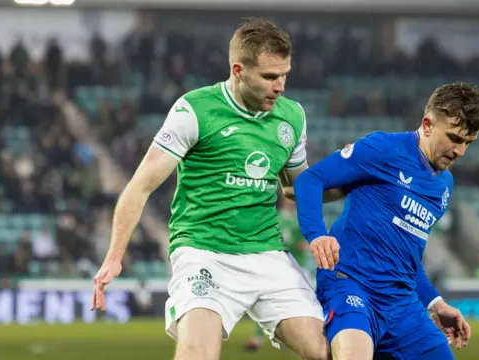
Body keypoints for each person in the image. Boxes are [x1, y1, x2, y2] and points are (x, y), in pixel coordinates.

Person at [90, 18, 341, 360]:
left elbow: (298, 190)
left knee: (327, 351)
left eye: (284, 75)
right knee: (197, 353)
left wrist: (353, 185)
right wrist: (114, 257)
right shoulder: (195, 110)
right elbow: (140, 186)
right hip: (203, 251)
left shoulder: (292, 117)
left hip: (266, 251)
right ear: (238, 70)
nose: (280, 86)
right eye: (269, 76)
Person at [293, 82, 479, 360]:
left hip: (401, 303)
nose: (460, 151)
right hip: (351, 284)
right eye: (455, 139)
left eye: (468, 143)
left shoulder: (444, 185)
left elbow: (408, 258)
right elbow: (310, 180)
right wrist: (316, 234)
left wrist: (435, 303)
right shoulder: (383, 148)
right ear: (427, 125)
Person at [244, 195, 316, 352]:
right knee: (264, 299)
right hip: (278, 267)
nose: (290, 202)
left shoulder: (299, 220)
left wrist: (300, 245)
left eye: (292, 200)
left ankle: (314, 334)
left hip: (300, 267)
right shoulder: (274, 217)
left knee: (311, 302)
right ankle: (257, 338)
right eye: (288, 199)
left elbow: (305, 244)